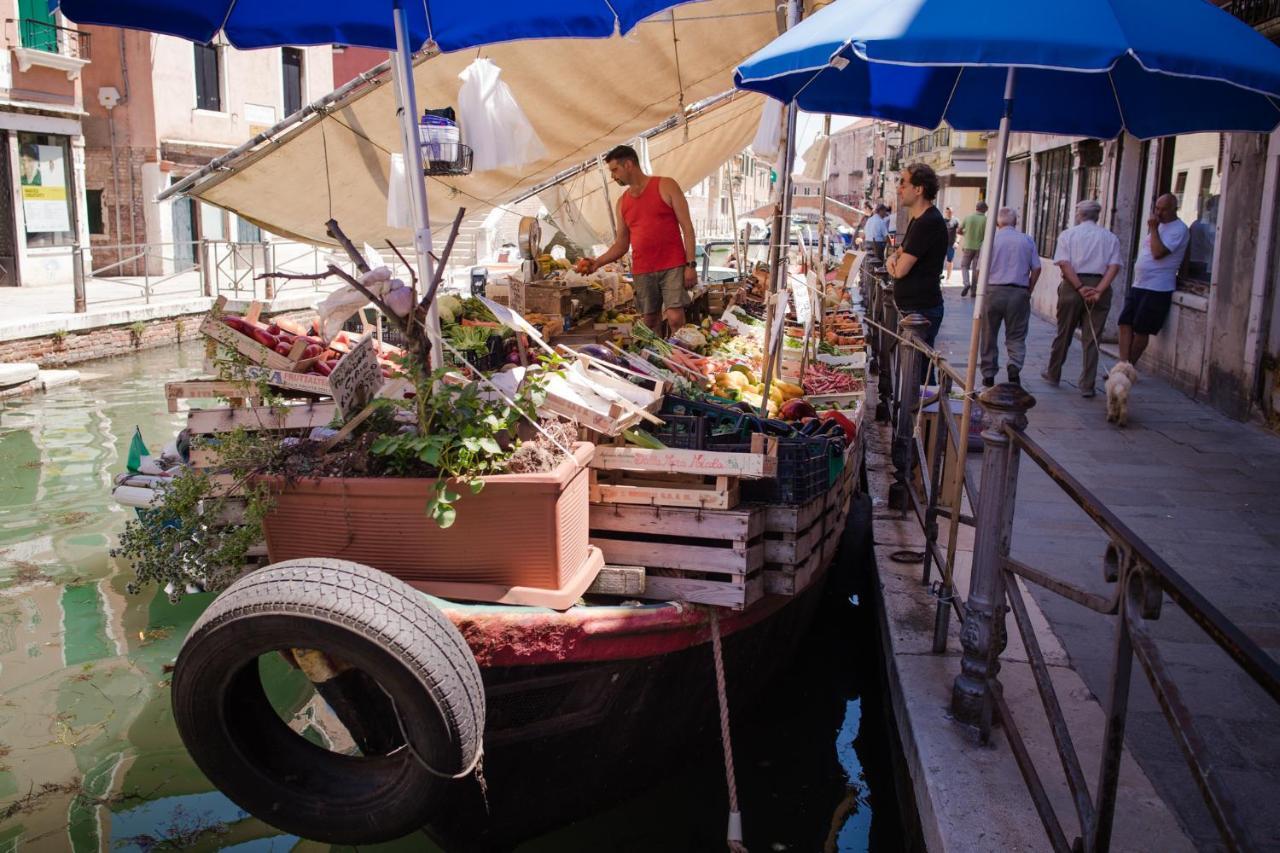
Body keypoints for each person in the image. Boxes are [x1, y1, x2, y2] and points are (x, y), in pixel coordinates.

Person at [586, 145, 697, 335]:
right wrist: (597, 263)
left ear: (628, 164)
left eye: (615, 170)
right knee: (650, 321)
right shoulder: (622, 203)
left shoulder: (666, 185)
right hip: (643, 269)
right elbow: (621, 245)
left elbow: (687, 227)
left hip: (673, 265)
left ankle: (679, 359)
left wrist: (690, 265)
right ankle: (658, 360)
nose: (613, 177)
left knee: (675, 318)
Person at [1042, 199, 1122, 397]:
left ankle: (1054, 373)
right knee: (1093, 338)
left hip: (1072, 285)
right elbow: (1114, 266)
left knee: (1064, 332)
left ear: (1079, 215)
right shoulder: (1109, 237)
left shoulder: (1069, 235)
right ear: (1097, 215)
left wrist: (1079, 287)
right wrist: (1099, 290)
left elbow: (1064, 264)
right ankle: (1087, 385)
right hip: (1099, 284)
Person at [1118, 193, 1189, 368]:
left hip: (1157, 287)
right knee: (1124, 322)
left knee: (1142, 329)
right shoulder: (1158, 226)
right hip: (1140, 283)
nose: (1158, 213)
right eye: (1156, 208)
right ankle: (1122, 364)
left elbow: (1158, 253)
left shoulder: (1179, 229)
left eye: (1163, 209)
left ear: (1174, 209)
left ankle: (1128, 367)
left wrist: (1154, 229)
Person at [884, 164, 947, 348]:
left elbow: (900, 270)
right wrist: (892, 259)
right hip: (914, 309)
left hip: (921, 312)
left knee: (918, 373)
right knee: (913, 370)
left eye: (903, 184)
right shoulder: (918, 219)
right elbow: (898, 252)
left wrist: (894, 264)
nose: (899, 189)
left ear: (918, 189)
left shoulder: (928, 222)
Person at [979, 208, 1040, 387]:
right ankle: (1014, 365)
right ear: (1016, 222)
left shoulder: (990, 240)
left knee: (989, 334)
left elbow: (980, 270)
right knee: (1016, 334)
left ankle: (988, 374)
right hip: (1019, 291)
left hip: (993, 291)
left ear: (998, 223)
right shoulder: (1027, 240)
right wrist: (1029, 289)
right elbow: (1037, 268)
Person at [957, 201, 988, 296]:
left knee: (964, 266)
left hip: (968, 246)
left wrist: (966, 234)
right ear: (985, 210)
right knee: (976, 269)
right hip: (980, 248)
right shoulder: (986, 220)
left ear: (976, 208)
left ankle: (966, 283)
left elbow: (959, 230)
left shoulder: (968, 217)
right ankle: (973, 291)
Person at [943, 206, 960, 278]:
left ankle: (948, 277)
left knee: (950, 260)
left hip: (951, 244)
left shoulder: (956, 220)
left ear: (952, 212)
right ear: (945, 212)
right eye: (947, 212)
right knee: (940, 260)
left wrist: (957, 242)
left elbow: (959, 233)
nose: (948, 213)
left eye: (950, 212)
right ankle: (939, 276)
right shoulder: (942, 220)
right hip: (942, 244)